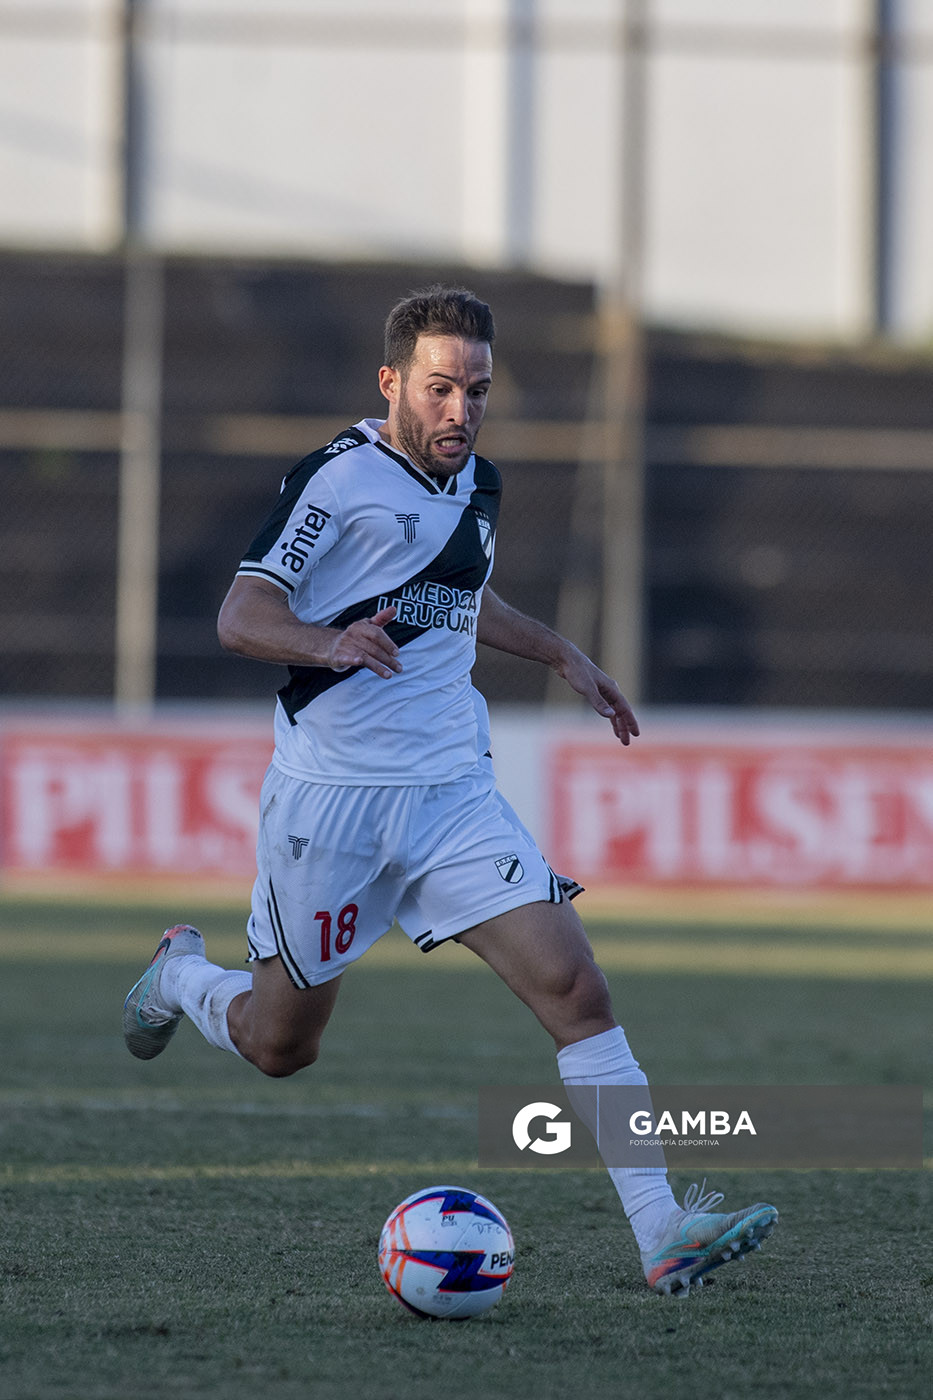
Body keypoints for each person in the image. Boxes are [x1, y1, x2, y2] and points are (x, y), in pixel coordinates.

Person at [123, 285, 777, 1295]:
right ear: (391, 383)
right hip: (331, 805)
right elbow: (240, 612)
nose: (460, 411)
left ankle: (662, 1230)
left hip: (450, 797)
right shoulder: (335, 482)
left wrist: (561, 651)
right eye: (439, 389)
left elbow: (459, 599)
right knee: (279, 1043)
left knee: (577, 988)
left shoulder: (476, 486)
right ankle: (178, 976)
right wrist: (326, 639)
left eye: (475, 390)